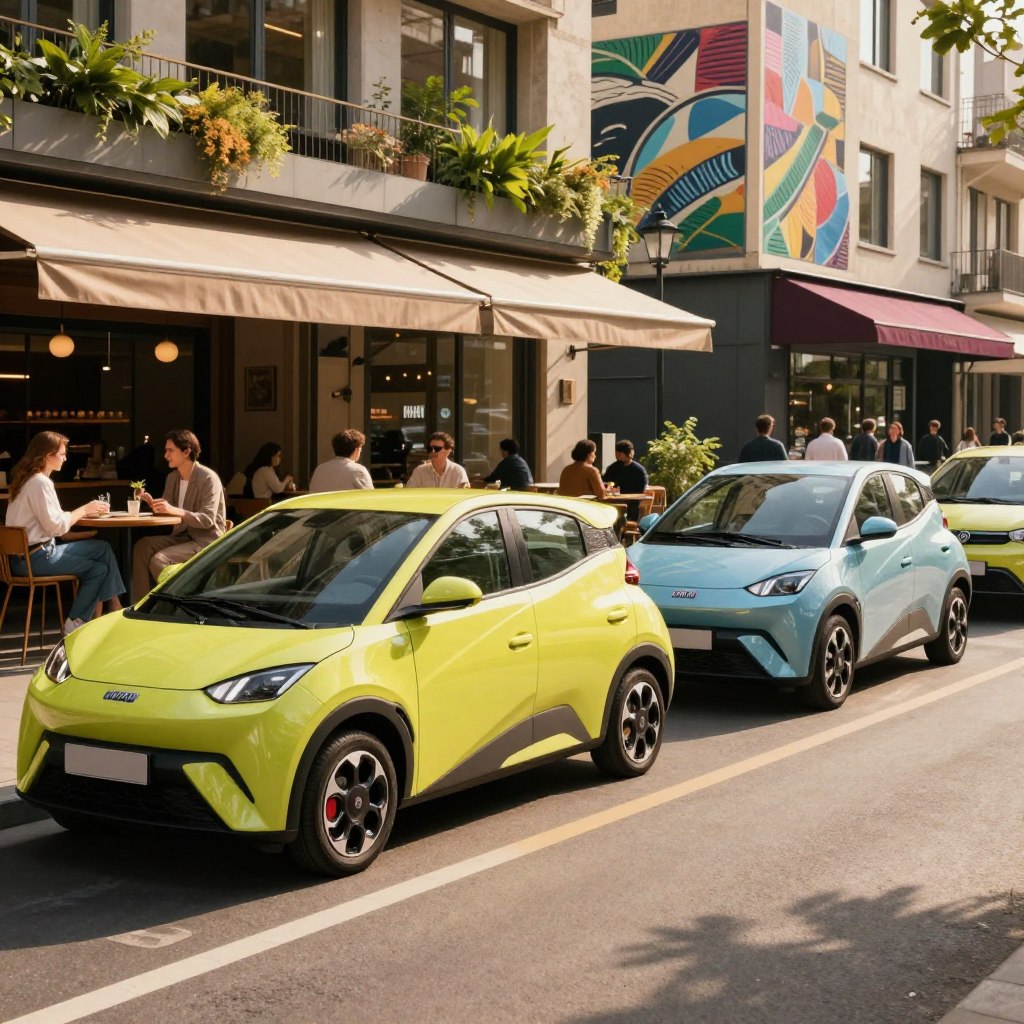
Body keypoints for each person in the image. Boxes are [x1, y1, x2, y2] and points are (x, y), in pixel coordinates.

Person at [5, 431, 124, 634]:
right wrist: (85, 509)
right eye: (61, 454)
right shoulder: (40, 482)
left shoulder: (26, 481)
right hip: (36, 558)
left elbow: (55, 524)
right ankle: (75, 624)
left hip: (26, 557)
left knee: (103, 549)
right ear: (47, 456)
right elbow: (57, 527)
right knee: (98, 570)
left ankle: (113, 607)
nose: (65, 458)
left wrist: (75, 516)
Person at [131, 429, 227, 600]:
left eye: (170, 450)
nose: (166, 455)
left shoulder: (208, 478)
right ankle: (140, 604)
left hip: (205, 541)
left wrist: (175, 511)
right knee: (142, 546)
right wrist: (154, 504)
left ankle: (181, 602)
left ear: (187, 452)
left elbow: (207, 520)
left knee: (159, 560)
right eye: (166, 450)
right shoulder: (173, 478)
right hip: (181, 536)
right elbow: (169, 512)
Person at [309, 429, 374, 492]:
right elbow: (369, 497)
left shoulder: (320, 469)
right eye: (360, 449)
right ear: (356, 450)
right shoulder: (358, 471)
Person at [603, 439, 650, 519]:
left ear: (629, 454)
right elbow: (605, 483)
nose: (617, 457)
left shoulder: (639, 470)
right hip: (615, 501)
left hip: (632, 502)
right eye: (616, 454)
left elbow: (642, 490)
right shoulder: (612, 468)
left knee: (634, 507)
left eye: (620, 454)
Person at [406, 432, 470, 488]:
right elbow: (409, 494)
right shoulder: (419, 471)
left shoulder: (457, 471)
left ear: (448, 451)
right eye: (430, 448)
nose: (433, 451)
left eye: (437, 448)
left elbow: (464, 495)